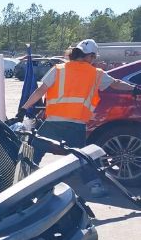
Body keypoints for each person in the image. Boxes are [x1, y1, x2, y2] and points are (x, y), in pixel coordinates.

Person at [19, 39, 138, 197]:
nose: (94, 61)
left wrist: (24, 108)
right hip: (77, 123)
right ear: (89, 56)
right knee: (81, 157)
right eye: (94, 57)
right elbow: (116, 84)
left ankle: (21, 183)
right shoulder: (96, 74)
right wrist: (135, 89)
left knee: (35, 149)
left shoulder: (59, 69)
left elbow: (41, 91)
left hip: (54, 121)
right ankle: (94, 185)